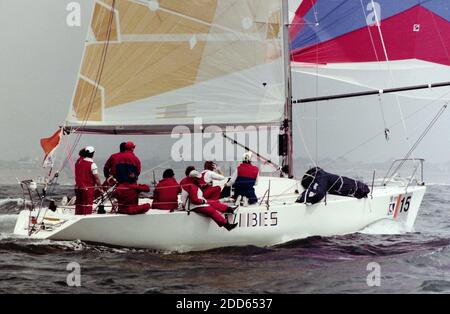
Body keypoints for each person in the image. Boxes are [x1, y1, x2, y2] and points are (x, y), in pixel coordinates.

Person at [74, 146, 103, 215]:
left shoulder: (78, 162)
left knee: (79, 205)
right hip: (88, 189)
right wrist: (100, 188)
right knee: (87, 206)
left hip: (78, 187)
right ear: (92, 154)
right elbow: (97, 179)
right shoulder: (92, 165)